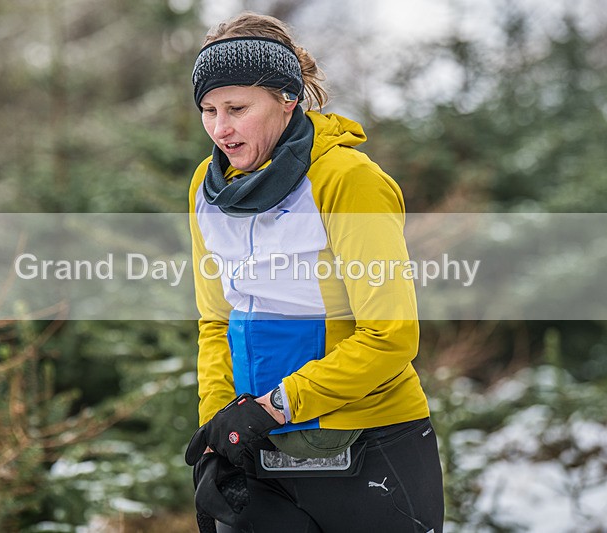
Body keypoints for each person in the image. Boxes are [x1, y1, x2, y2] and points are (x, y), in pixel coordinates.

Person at [184, 12, 444, 533]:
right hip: (258, 448)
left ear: (288, 97)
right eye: (209, 110)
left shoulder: (348, 181)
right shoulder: (206, 189)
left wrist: (276, 406)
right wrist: (220, 424)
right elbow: (217, 322)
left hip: (369, 446)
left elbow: (389, 335)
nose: (221, 128)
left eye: (237, 108)